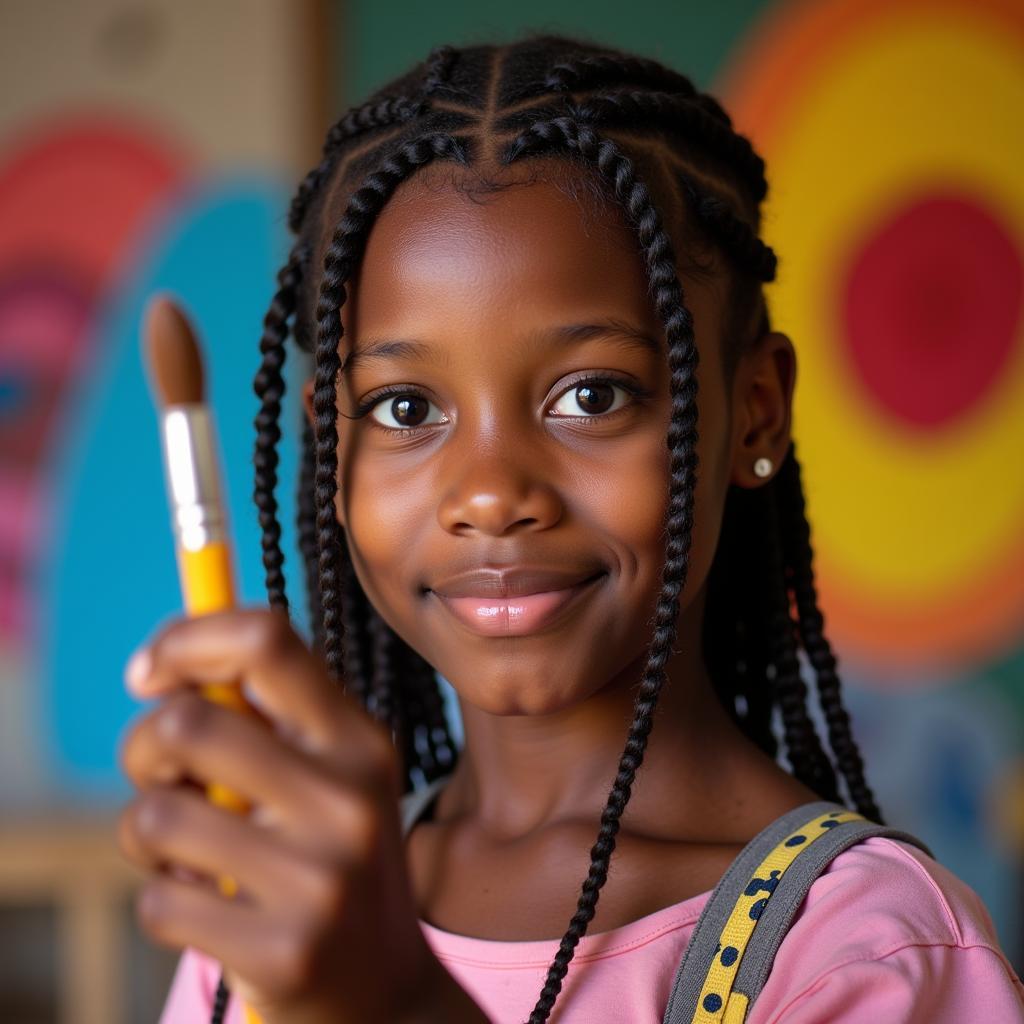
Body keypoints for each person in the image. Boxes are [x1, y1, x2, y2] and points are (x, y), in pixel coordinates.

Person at [117, 33, 1024, 1024]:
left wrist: (396, 1001)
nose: (491, 491)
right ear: (329, 453)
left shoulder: (864, 950)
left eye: (590, 395)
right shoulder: (295, 909)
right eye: (406, 409)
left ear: (753, 410)